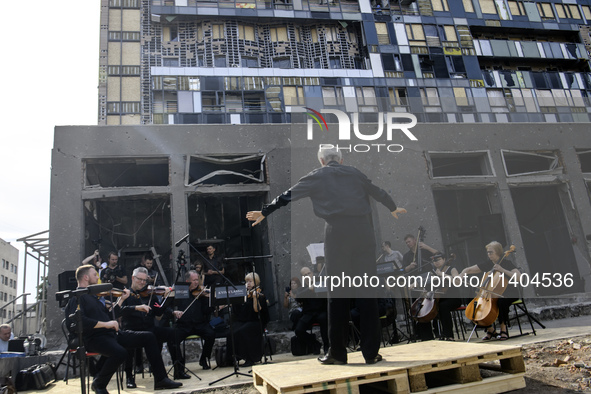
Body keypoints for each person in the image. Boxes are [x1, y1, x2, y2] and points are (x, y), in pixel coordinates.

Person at [247, 146, 407, 365]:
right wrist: (393, 207)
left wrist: (264, 212)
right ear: (341, 160)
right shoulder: (354, 172)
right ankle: (372, 353)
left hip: (337, 233)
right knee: (367, 292)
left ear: (322, 161)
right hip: (363, 233)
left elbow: (287, 195)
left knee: (338, 293)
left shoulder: (316, 175)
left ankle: (338, 353)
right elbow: (377, 191)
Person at [65, 265, 182, 393]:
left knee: (149, 337)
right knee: (120, 353)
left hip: (111, 334)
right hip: (94, 338)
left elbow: (110, 316)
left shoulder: (94, 297)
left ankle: (161, 379)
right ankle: (99, 383)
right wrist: (106, 324)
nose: (98, 278)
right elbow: (79, 322)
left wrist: (121, 300)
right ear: (86, 277)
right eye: (95, 275)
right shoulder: (77, 297)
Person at [120, 267, 180, 388]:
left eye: (144, 280)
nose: (142, 283)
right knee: (140, 341)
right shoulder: (125, 294)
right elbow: (120, 311)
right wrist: (137, 308)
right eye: (139, 279)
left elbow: (157, 313)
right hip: (132, 330)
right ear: (132, 278)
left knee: (173, 332)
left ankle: (178, 368)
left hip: (149, 329)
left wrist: (165, 299)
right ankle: (129, 377)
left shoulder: (150, 294)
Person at [460, 241, 521, 341]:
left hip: (509, 292)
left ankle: (503, 329)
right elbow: (469, 270)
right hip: (491, 293)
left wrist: (503, 270)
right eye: (488, 252)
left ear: (498, 252)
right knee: (472, 301)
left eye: (491, 252)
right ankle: (490, 330)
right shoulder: (487, 264)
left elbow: (518, 277)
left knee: (501, 302)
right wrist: (462, 274)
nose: (489, 254)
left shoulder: (507, 263)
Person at [173, 270, 215, 373]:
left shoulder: (202, 294)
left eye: (197, 280)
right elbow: (172, 305)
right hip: (184, 325)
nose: (196, 282)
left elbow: (206, 311)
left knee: (211, 334)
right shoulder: (181, 292)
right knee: (173, 339)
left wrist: (212, 303)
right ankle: (180, 364)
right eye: (194, 280)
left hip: (199, 324)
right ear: (187, 281)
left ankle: (204, 358)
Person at [226, 272, 269, 367]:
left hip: (257, 321)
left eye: (250, 281)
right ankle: (232, 358)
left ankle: (250, 358)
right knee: (231, 332)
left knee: (244, 331)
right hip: (245, 320)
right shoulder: (244, 293)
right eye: (246, 281)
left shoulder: (259, 294)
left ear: (256, 282)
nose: (248, 283)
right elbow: (239, 312)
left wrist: (254, 298)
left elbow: (257, 310)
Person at [293, 267, 328, 354]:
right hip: (308, 314)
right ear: (302, 277)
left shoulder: (319, 283)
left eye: (309, 273)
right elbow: (298, 298)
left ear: (312, 273)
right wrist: (309, 289)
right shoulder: (302, 289)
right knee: (298, 330)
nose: (308, 276)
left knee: (324, 320)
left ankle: (327, 347)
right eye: (305, 275)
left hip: (321, 312)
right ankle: (315, 344)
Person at [430, 253, 461, 341]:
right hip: (440, 298)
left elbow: (457, 281)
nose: (436, 262)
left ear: (444, 259)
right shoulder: (434, 272)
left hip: (453, 299)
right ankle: (435, 334)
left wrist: (443, 275)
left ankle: (448, 335)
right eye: (434, 260)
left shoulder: (451, 269)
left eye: (438, 259)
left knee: (443, 306)